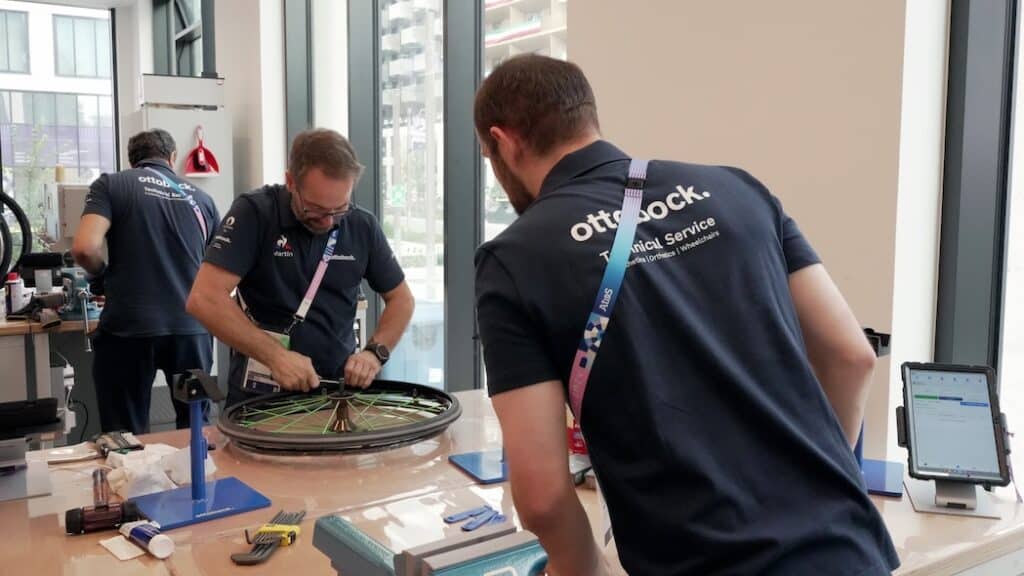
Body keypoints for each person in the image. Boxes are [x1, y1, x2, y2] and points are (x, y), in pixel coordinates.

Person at [473, 54, 900, 576]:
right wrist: (810, 484)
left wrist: (581, 567)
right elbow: (851, 356)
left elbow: (539, 496)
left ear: (504, 142)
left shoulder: (515, 258)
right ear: (587, 117)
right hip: (845, 549)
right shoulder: (738, 188)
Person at [187, 128, 413, 407]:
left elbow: (401, 299)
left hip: (337, 393)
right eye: (316, 209)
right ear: (290, 182)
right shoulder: (255, 213)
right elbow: (204, 299)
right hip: (262, 396)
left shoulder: (362, 225)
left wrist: (374, 353)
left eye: (339, 208)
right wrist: (275, 356)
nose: (329, 221)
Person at [72, 128, 219, 434]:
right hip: (192, 328)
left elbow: (85, 248)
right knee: (195, 430)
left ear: (131, 159)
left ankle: (135, 480)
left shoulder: (112, 185)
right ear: (173, 158)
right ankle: (196, 481)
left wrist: (101, 279)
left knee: (125, 435)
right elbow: (218, 272)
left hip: (130, 327)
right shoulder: (203, 200)